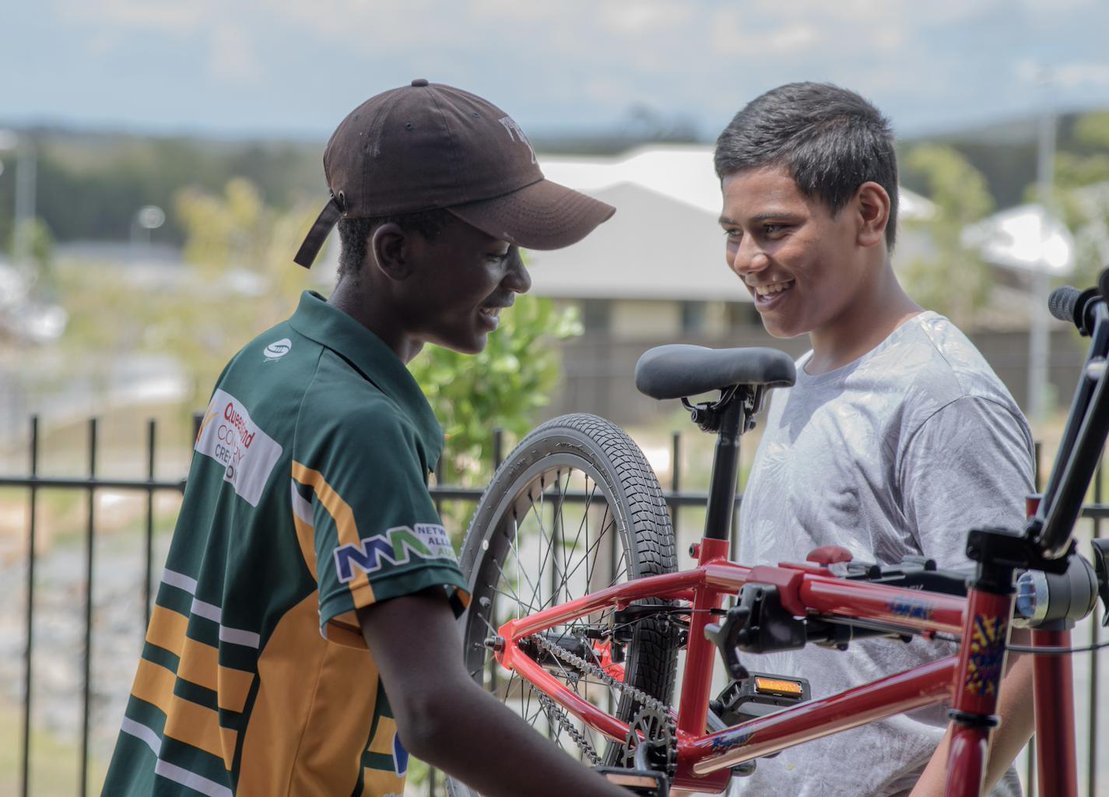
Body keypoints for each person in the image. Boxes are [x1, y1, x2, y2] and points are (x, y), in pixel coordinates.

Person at [102, 80, 636, 797]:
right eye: (496, 251)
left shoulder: (266, 364)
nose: (521, 279)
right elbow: (433, 709)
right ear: (394, 250)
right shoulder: (361, 425)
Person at [715, 82, 1036, 797]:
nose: (745, 258)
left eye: (772, 230)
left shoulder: (941, 396)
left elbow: (1024, 649)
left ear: (867, 213)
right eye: (731, 233)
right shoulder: (800, 379)